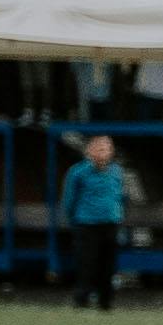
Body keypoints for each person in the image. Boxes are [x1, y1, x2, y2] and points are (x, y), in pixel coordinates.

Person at [56, 128, 132, 311]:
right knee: (86, 263)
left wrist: (119, 213)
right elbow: (69, 199)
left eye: (106, 148)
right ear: (89, 151)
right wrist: (73, 219)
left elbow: (122, 196)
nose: (103, 152)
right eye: (99, 148)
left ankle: (106, 301)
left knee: (108, 264)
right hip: (87, 223)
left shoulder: (116, 172)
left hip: (110, 222)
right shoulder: (78, 172)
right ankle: (81, 299)